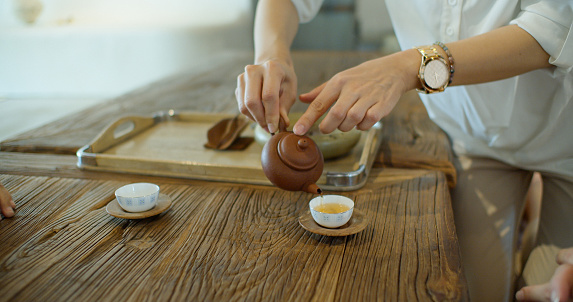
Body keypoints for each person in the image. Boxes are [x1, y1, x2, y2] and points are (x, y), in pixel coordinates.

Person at [235, 0, 573, 300]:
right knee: (473, 288)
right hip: (473, 134)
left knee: (545, 285)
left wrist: (407, 66)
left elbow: (553, 25)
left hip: (565, 138)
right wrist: (272, 54)